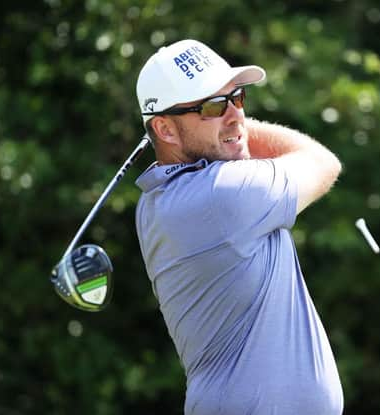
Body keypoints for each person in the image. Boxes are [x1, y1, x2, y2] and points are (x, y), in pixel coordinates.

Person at [134, 39, 344, 415]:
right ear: (164, 129)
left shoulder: (162, 199)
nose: (235, 115)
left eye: (238, 98)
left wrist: (225, 128)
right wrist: (238, 131)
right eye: (213, 106)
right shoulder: (221, 195)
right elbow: (322, 162)